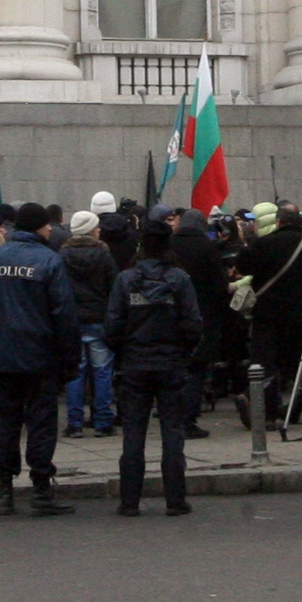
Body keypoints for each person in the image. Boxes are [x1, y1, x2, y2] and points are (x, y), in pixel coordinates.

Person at [0, 203, 81, 514]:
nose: (51, 229)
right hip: (40, 357)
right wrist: (69, 360)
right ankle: (41, 490)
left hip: (3, 357)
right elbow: (64, 315)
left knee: (6, 423)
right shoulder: (49, 260)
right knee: (41, 424)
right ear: (37, 227)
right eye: (47, 225)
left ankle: (5, 490)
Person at [104, 221, 204, 516]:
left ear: (142, 245)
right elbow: (194, 324)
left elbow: (111, 326)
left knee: (133, 433)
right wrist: (183, 353)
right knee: (172, 432)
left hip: (134, 363)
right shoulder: (179, 279)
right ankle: (175, 499)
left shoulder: (125, 280)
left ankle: (129, 501)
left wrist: (123, 353)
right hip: (171, 363)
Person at [238, 205, 302, 419]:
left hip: (266, 313)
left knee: (264, 363)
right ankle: (294, 404)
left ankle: (264, 411)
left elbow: (243, 266)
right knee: (295, 363)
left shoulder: (264, 244)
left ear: (279, 222)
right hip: (297, 315)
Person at [162, 206, 230, 433]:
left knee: (174, 369)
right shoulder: (208, 248)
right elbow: (220, 285)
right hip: (204, 315)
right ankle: (188, 419)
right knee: (197, 369)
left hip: (170, 316)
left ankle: (170, 416)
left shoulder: (169, 245)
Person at [58, 208, 119, 438]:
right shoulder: (103, 254)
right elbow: (114, 286)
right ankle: (103, 421)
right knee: (102, 372)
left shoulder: (62, 255)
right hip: (98, 318)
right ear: (90, 230)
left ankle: (74, 423)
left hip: (73, 320)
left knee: (76, 373)